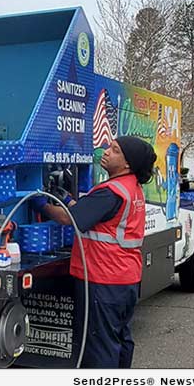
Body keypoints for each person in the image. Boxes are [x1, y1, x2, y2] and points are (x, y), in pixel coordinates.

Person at [30, 136, 157, 368]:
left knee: (99, 347)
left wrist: (40, 203)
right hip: (125, 278)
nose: (107, 152)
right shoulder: (130, 187)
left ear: (127, 164)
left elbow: (69, 220)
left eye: (115, 150)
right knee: (120, 338)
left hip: (103, 279)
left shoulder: (111, 191)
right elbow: (93, 214)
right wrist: (68, 199)